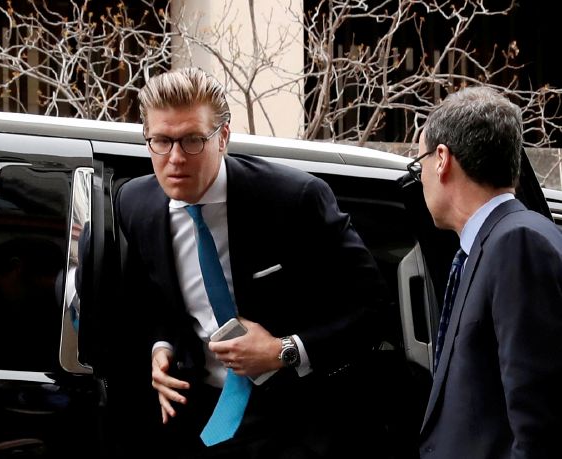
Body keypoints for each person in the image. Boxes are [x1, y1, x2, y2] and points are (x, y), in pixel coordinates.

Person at [109, 67, 391, 458]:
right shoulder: (134, 204)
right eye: (161, 141)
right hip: (195, 417)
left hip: (294, 420)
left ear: (223, 136)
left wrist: (282, 349)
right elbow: (151, 297)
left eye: (192, 140)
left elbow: (373, 308)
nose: (175, 158)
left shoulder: (295, 199)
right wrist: (162, 347)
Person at [410, 86, 562, 458]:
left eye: (419, 163)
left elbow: (539, 426)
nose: (420, 178)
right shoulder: (494, 242)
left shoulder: (518, 243)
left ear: (442, 159)